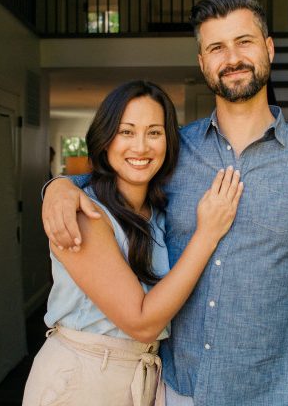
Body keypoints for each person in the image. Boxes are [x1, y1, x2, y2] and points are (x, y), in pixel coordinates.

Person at [43, 0, 288, 406]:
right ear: (202, 62)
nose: (233, 58)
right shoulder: (171, 152)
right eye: (216, 47)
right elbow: (114, 176)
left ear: (269, 48)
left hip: (277, 395)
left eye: (244, 41)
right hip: (176, 392)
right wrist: (59, 187)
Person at [24, 80, 244, 406]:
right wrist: (207, 234)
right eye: (126, 132)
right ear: (105, 139)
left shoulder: (157, 210)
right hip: (84, 379)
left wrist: (59, 184)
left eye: (154, 133)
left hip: (142, 379)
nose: (140, 147)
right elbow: (141, 323)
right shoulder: (86, 213)